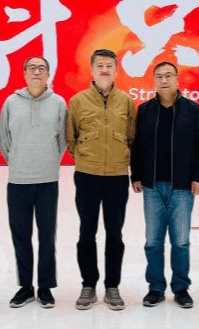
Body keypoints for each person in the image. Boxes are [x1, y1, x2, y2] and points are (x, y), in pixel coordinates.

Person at [130, 61, 199, 309]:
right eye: (159, 76)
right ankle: (155, 287)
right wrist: (136, 175)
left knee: (181, 242)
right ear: (153, 81)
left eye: (168, 76)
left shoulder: (192, 110)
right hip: (152, 187)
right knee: (153, 242)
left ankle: (181, 288)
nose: (164, 80)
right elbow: (136, 146)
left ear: (177, 79)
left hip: (182, 187)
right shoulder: (144, 110)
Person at [65, 49, 136, 310]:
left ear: (116, 70)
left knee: (115, 234)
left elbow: (132, 137)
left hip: (117, 176)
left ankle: (112, 287)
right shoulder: (78, 101)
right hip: (87, 176)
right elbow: (71, 138)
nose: (104, 69)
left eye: (109, 65)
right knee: (87, 232)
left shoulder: (126, 101)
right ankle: (88, 285)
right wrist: (87, 159)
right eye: (100, 65)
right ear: (92, 70)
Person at [0, 56, 68, 308]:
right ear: (25, 73)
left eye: (42, 68)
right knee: (21, 235)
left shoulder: (58, 103)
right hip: (18, 180)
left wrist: (50, 161)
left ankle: (45, 286)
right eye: (32, 68)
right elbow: (4, 138)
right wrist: (17, 161)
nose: (36, 72)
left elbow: (63, 139)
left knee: (47, 235)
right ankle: (26, 287)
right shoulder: (11, 102)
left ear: (48, 74)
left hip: (48, 179)